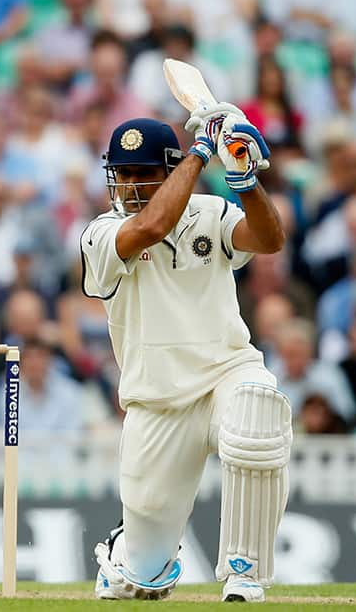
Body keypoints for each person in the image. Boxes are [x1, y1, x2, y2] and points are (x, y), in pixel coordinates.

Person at [81, 104, 290, 602]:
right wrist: (201, 153)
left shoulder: (211, 212)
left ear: (168, 172)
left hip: (225, 371)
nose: (130, 186)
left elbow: (269, 239)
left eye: (145, 175)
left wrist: (243, 180)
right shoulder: (101, 234)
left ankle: (245, 572)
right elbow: (150, 229)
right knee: (140, 582)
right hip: (156, 401)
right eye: (123, 174)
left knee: (257, 411)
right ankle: (130, 551)